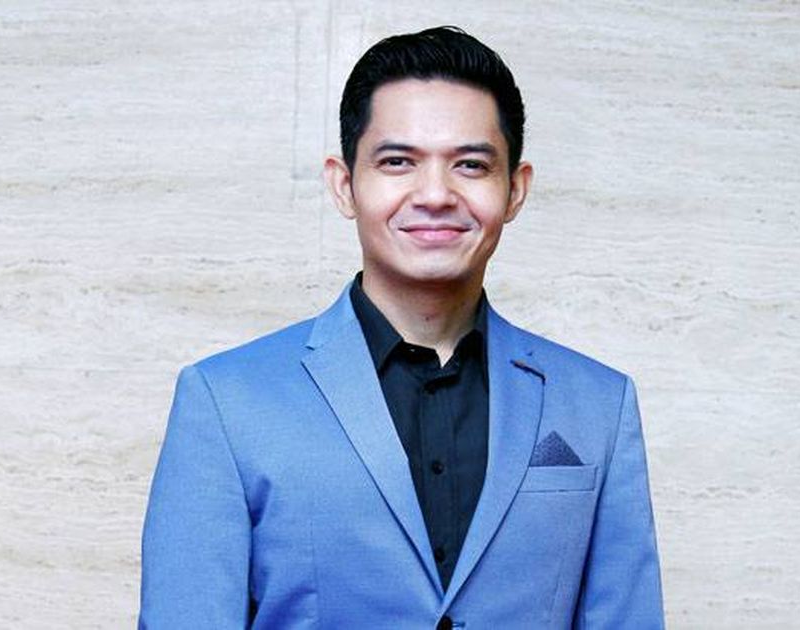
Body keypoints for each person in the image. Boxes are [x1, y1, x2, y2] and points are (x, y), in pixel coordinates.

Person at [139, 26, 663, 629]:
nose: (435, 194)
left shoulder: (598, 404)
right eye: (397, 162)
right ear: (344, 185)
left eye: (471, 165)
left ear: (515, 190)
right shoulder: (226, 401)